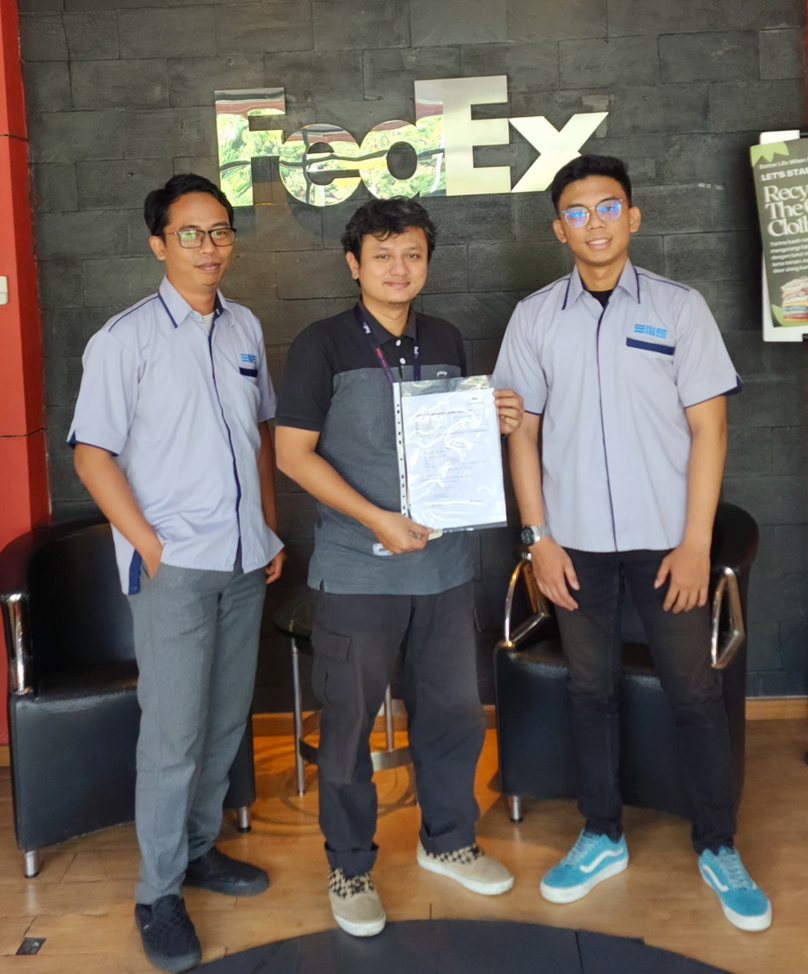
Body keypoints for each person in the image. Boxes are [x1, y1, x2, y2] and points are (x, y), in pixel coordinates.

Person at [494, 155, 772, 932]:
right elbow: (522, 435)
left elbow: (710, 430)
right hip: (573, 546)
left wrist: (695, 544)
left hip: (666, 544)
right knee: (590, 689)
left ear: (633, 216)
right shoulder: (534, 317)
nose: (595, 222)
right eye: (577, 211)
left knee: (693, 691)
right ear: (559, 228)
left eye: (608, 206)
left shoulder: (680, 309)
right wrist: (538, 540)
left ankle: (718, 844)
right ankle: (601, 833)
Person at [274, 197, 522, 938]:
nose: (398, 268)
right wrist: (375, 517)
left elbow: (451, 445)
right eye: (382, 255)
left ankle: (447, 840)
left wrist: (491, 421)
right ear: (354, 265)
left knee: (452, 714)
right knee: (349, 726)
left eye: (412, 254)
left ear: (426, 263)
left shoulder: (444, 337)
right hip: (359, 572)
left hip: (444, 570)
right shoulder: (320, 345)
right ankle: (350, 866)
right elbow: (292, 455)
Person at [69, 174, 285, 973]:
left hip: (243, 559)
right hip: (176, 570)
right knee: (172, 737)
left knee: (224, 723)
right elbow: (92, 455)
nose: (208, 246)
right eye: (190, 233)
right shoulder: (123, 340)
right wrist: (149, 548)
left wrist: (267, 527)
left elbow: (260, 433)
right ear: (159, 243)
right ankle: (157, 894)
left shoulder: (245, 327)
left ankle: (198, 852)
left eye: (220, 231)